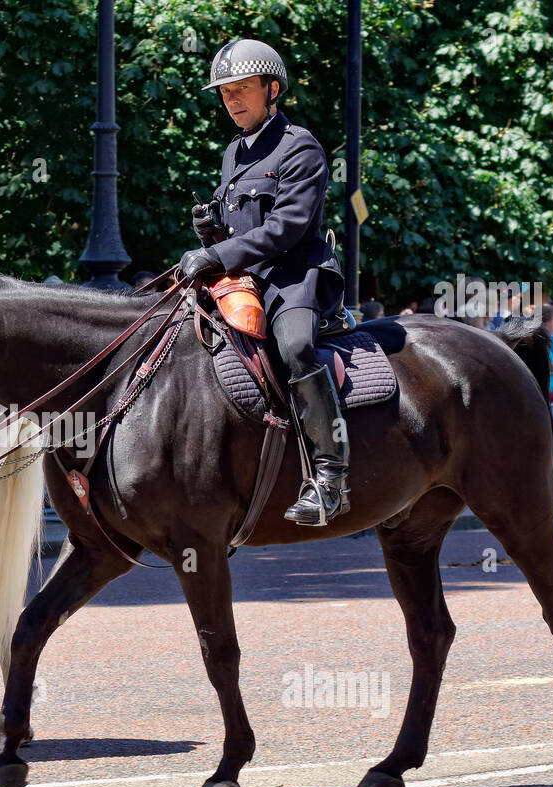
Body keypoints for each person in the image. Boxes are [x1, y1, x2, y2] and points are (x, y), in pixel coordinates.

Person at [177, 38, 348, 526]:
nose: (232, 100)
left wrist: (216, 252)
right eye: (225, 92)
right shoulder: (235, 151)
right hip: (244, 278)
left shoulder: (301, 146)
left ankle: (329, 478)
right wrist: (211, 231)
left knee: (295, 348)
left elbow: (286, 228)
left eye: (242, 89)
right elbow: (242, 228)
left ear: (272, 89)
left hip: (294, 278)